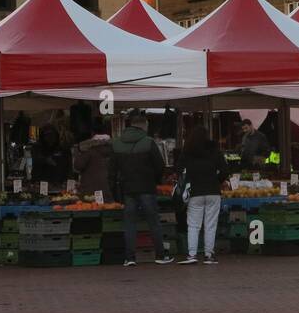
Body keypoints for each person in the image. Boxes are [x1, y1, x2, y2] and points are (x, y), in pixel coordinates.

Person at [111, 113, 173, 266]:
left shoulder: (117, 143)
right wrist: (156, 180)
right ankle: (159, 255)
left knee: (129, 224)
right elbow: (159, 166)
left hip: (127, 188)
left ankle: (130, 258)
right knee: (153, 222)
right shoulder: (149, 142)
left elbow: (111, 171)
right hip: (147, 187)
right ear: (144, 125)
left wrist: (115, 191)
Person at [177, 125, 226, 265]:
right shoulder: (215, 150)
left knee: (193, 224)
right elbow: (224, 170)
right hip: (213, 191)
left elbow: (179, 169)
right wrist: (217, 181)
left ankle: (192, 254)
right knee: (210, 224)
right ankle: (209, 255)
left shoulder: (187, 152)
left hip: (195, 192)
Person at [72, 118, 115, 201]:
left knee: (92, 211)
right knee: (107, 211)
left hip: (90, 190)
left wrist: (77, 152)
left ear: (92, 133)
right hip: (108, 189)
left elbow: (77, 166)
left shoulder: (89, 149)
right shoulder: (113, 148)